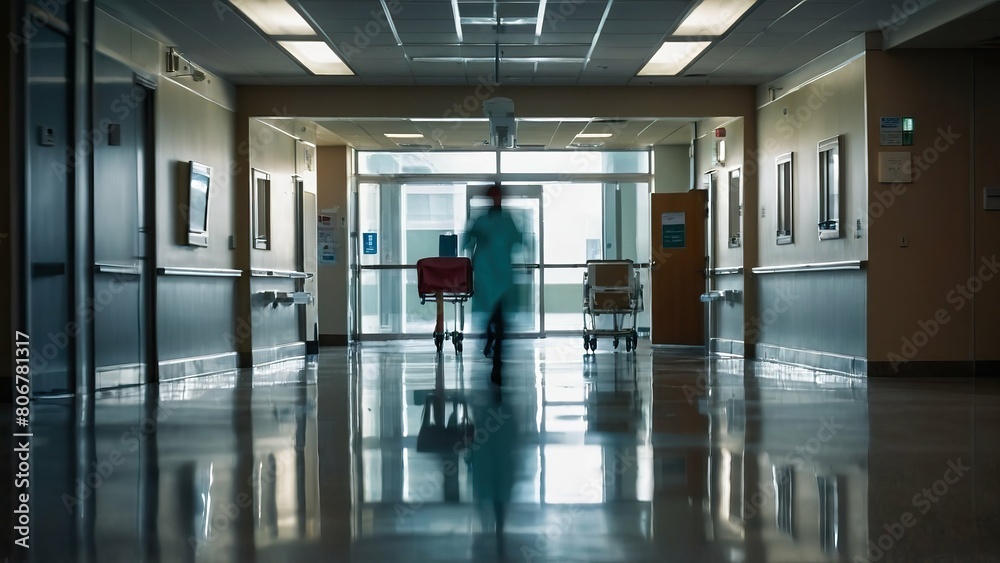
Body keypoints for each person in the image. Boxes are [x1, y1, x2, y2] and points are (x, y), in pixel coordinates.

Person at [464, 183, 521, 385]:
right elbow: (466, 241)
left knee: (500, 318)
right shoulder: (480, 221)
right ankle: (490, 341)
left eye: (499, 197)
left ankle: (496, 359)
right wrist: (477, 237)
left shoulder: (507, 220)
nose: (497, 200)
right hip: (486, 276)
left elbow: (518, 239)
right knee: (492, 315)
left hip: (502, 277)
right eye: (494, 197)